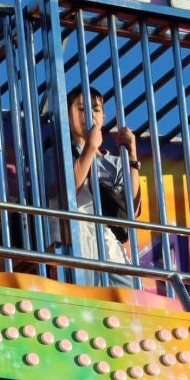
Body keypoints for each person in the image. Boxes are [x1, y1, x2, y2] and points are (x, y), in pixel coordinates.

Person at [65, 91, 141, 288]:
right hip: (78, 244)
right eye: (81, 109)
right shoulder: (60, 151)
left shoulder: (115, 162)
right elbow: (68, 191)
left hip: (112, 251)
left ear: (103, 118)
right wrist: (90, 147)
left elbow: (132, 211)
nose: (89, 115)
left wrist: (132, 155)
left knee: (128, 305)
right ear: (67, 114)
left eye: (96, 110)